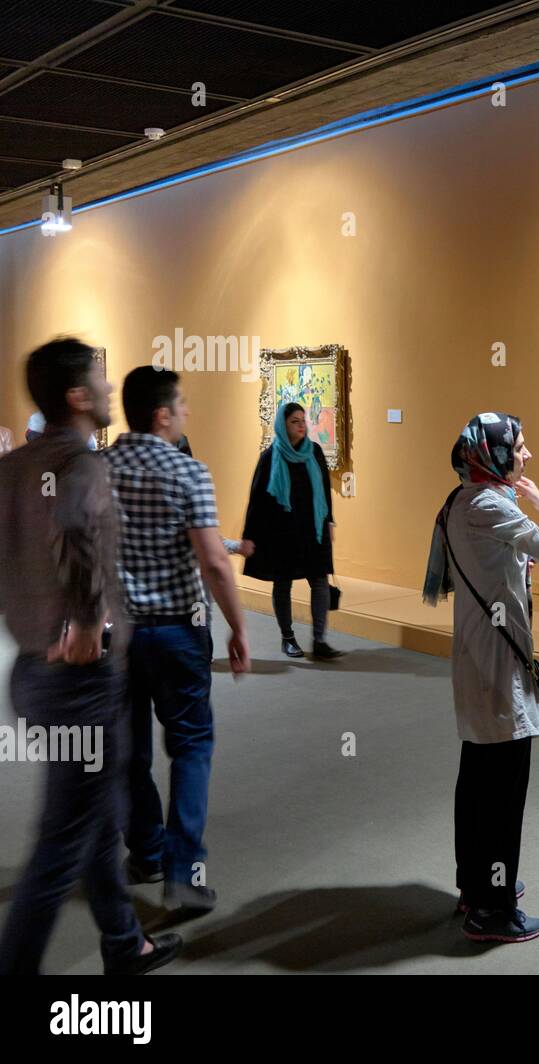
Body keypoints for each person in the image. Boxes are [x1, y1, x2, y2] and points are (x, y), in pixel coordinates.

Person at [0, 337, 181, 974]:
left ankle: (124, 941)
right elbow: (76, 528)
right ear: (78, 397)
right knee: (59, 845)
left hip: (30, 672)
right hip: (79, 679)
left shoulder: (15, 466)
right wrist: (81, 616)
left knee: (99, 814)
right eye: (99, 381)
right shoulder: (81, 465)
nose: (108, 391)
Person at [104, 366, 250, 913]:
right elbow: (214, 561)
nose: (187, 412)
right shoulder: (188, 472)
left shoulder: (98, 469)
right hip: (178, 632)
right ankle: (183, 873)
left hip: (118, 635)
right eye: (182, 404)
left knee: (130, 752)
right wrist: (238, 627)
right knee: (190, 747)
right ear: (162, 414)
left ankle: (145, 851)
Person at [423, 412, 539, 943]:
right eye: (521, 446)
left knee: (479, 779)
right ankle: (495, 909)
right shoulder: (492, 506)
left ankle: (476, 885)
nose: (527, 455)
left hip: (477, 655)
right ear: (494, 452)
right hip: (498, 666)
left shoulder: (462, 501)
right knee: (504, 792)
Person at [239, 402, 342, 660]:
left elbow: (324, 490)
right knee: (283, 584)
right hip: (282, 533)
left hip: (313, 531)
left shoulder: (314, 452)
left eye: (303, 421)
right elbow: (257, 500)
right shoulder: (271, 457)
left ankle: (319, 640)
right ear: (283, 426)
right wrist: (249, 537)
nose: (301, 426)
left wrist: (329, 520)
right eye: (295, 421)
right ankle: (288, 638)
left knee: (319, 582)